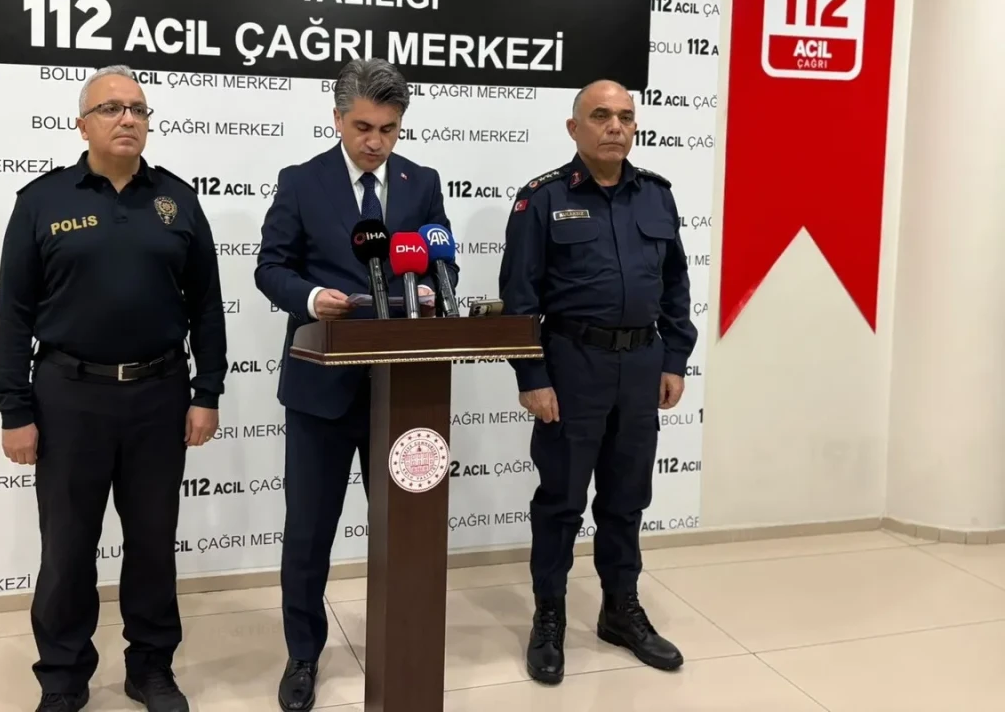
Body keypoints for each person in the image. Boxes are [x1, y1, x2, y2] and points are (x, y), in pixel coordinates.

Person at [0, 65, 226, 712]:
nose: (128, 118)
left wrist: (207, 392)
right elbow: (13, 314)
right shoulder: (42, 201)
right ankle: (63, 678)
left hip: (160, 395)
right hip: (68, 398)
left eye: (139, 109)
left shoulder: (178, 201)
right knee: (68, 549)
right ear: (82, 125)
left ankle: (150, 668)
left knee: (152, 544)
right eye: (112, 108)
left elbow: (206, 306)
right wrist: (14, 408)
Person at [255, 58, 456, 711]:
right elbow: (271, 268)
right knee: (309, 532)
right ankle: (303, 654)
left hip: (403, 391)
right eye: (364, 127)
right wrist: (312, 298)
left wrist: (434, 289)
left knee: (405, 529)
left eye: (388, 129)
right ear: (338, 118)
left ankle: (400, 640)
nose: (375, 142)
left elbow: (442, 259)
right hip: (321, 388)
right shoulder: (302, 181)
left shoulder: (422, 182)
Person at [499, 79, 697, 686]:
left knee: (626, 497)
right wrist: (532, 375)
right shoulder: (542, 198)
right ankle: (550, 616)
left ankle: (620, 610)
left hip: (641, 366)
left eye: (625, 117)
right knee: (560, 500)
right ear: (574, 127)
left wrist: (674, 359)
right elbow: (519, 298)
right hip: (572, 365)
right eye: (601, 115)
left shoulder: (656, 196)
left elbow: (675, 285)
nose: (615, 126)